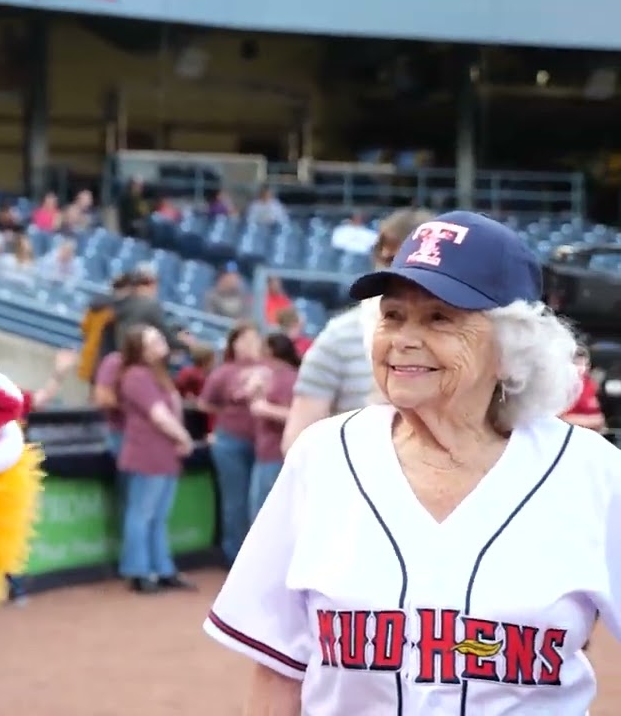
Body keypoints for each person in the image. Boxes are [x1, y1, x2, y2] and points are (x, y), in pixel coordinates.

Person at [203, 211, 613, 714]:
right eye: (393, 315)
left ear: (512, 349)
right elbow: (279, 669)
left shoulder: (591, 472)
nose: (404, 338)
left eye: (440, 318)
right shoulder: (324, 457)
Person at [281, 207, 434, 454]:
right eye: (390, 260)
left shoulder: (465, 339)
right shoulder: (340, 337)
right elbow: (297, 445)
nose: (401, 273)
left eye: (414, 261)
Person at [114, 325, 195, 594]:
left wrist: (179, 439)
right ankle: (138, 571)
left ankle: (162, 568)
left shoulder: (158, 374)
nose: (161, 342)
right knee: (142, 514)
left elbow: (171, 407)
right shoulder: (137, 375)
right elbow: (158, 414)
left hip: (164, 454)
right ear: (141, 349)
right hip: (147, 454)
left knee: (158, 516)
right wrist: (184, 438)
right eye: (153, 340)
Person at [198, 320, 264, 564]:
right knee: (234, 502)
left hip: (264, 442)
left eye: (254, 339)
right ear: (233, 344)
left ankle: (259, 559)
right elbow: (205, 403)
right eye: (244, 340)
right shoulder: (224, 371)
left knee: (260, 502)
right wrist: (225, 412)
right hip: (231, 441)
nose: (249, 345)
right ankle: (235, 557)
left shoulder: (271, 368)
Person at [245, 333, 300, 520]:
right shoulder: (270, 376)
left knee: (265, 516)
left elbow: (298, 416)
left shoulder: (291, 379)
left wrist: (265, 409)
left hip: (277, 454)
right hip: (266, 452)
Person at [561, 343, 605, 432]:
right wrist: (591, 421)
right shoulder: (560, 386)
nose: (582, 369)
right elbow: (558, 419)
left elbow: (600, 418)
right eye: (577, 364)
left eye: (586, 364)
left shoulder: (589, 384)